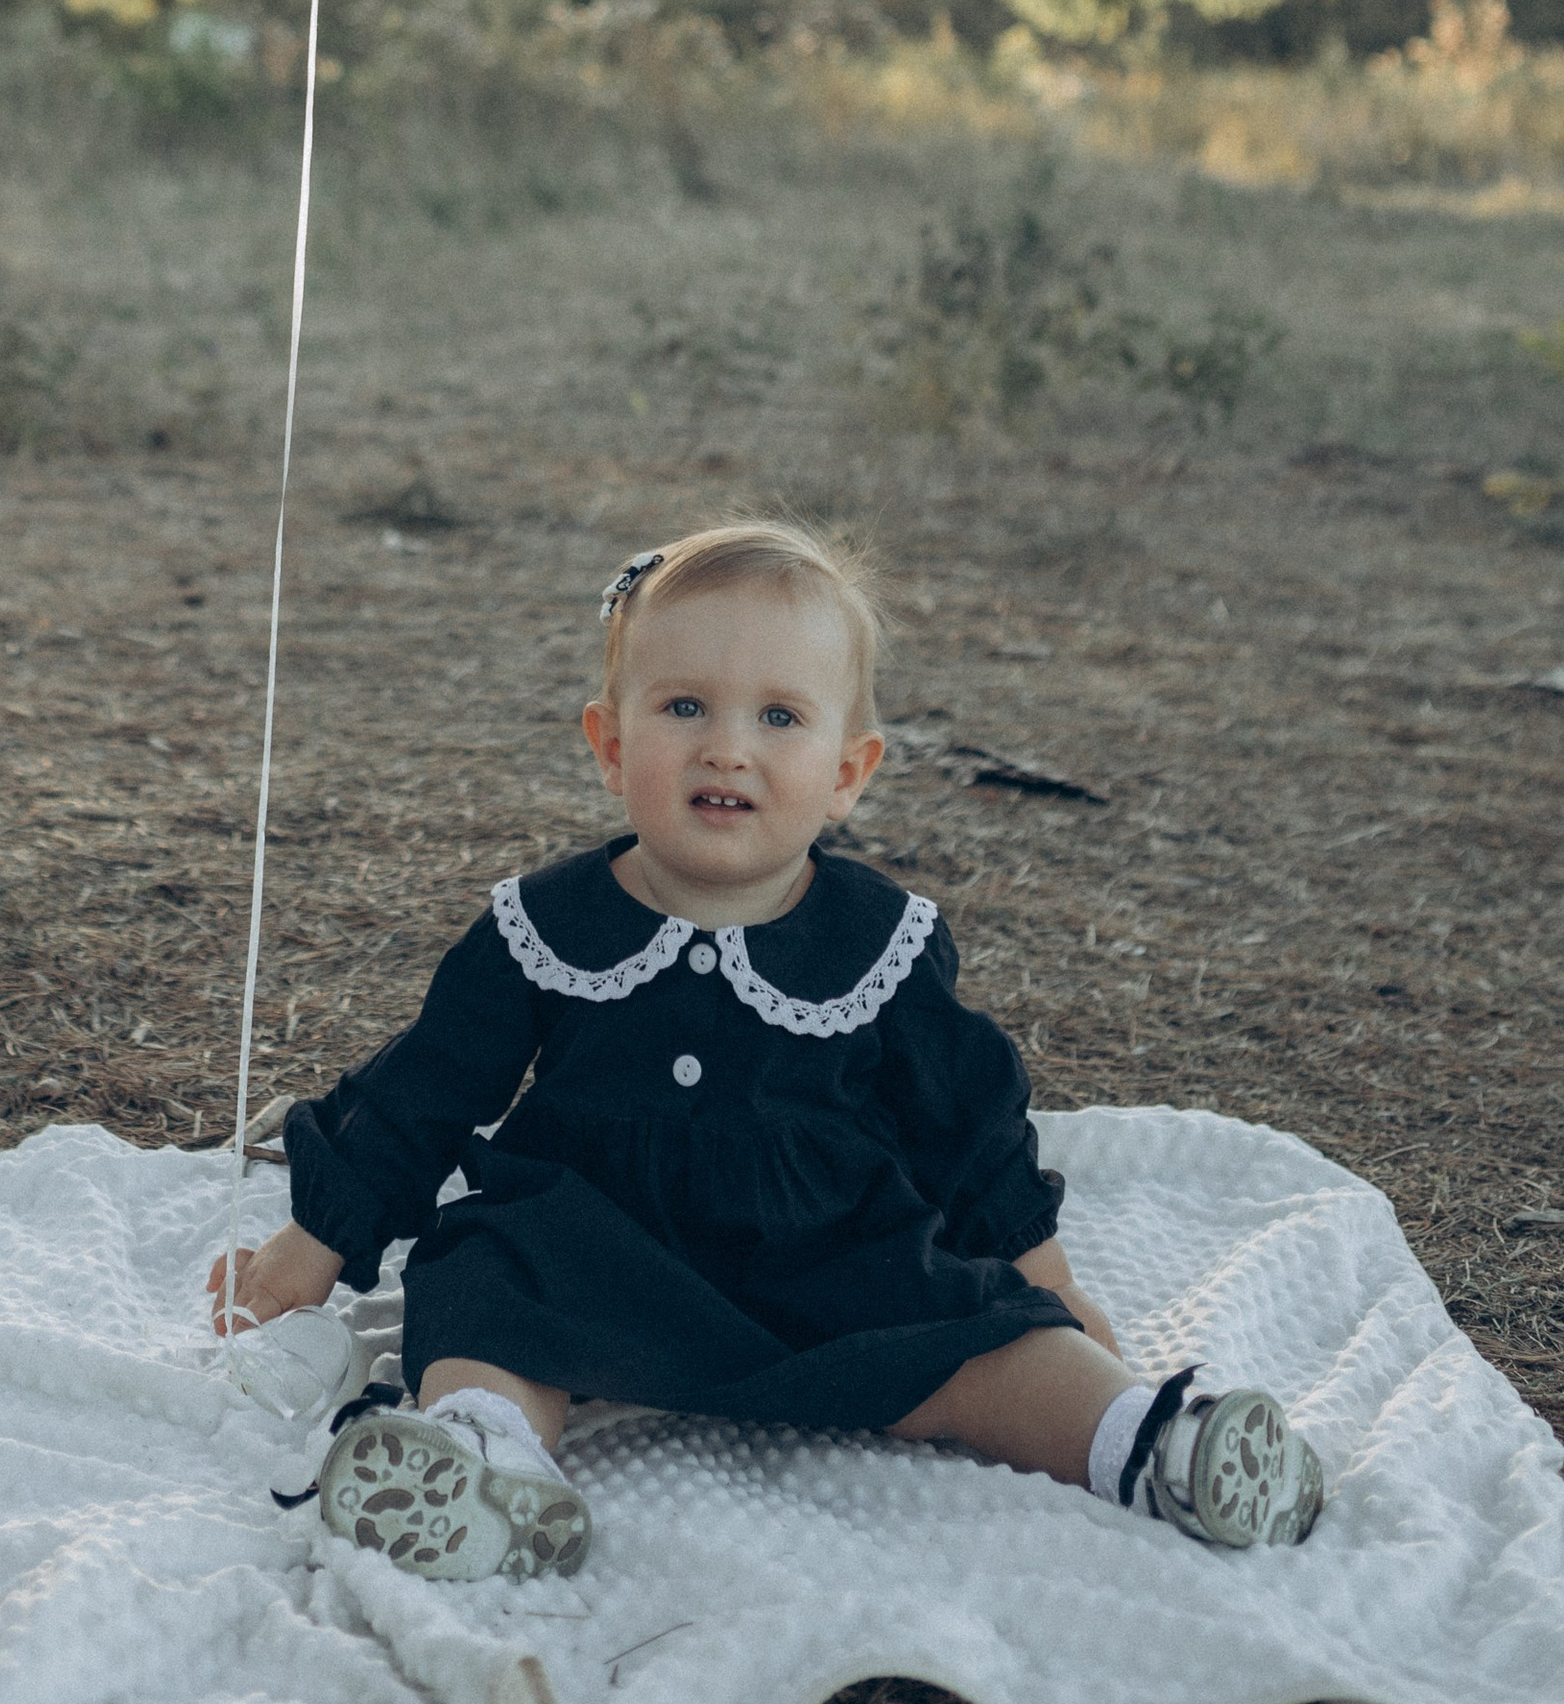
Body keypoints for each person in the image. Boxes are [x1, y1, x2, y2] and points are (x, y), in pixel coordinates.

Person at [207, 517, 1326, 1584]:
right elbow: (425, 1091)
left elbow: (965, 1122)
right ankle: (482, 1458)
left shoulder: (880, 942)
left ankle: (1150, 1446)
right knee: (478, 1287)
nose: (728, 748)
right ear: (609, 742)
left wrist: (1048, 1282)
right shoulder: (543, 928)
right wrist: (309, 1252)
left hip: (833, 1252)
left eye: (780, 718)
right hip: (592, 1243)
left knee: (993, 1341)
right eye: (684, 705)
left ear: (848, 771)